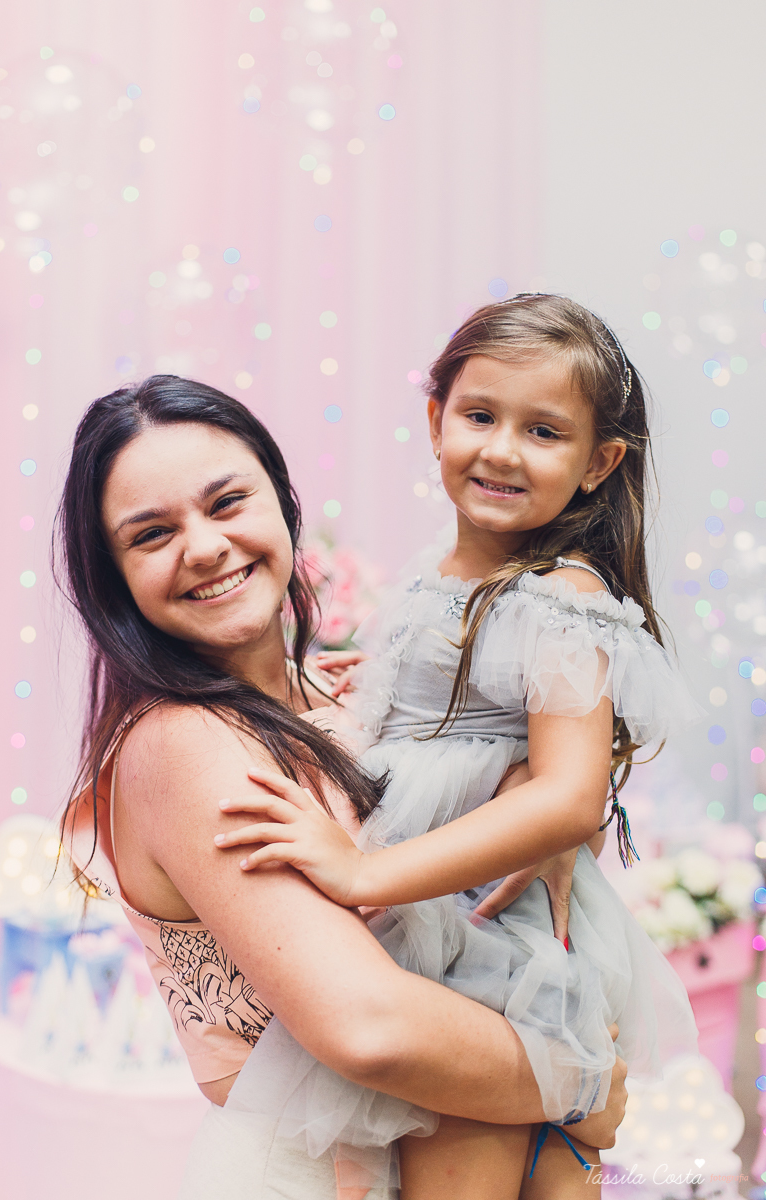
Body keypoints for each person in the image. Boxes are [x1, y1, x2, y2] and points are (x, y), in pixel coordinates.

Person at [58, 374, 627, 1200]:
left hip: (454, 1147)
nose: (206, 546)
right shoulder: (180, 743)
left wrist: (529, 790)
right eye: (151, 535)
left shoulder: (338, 694)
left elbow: (525, 851)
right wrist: (579, 1083)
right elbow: (369, 1026)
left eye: (226, 503)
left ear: (284, 507)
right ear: (113, 579)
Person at [212, 295, 702, 1198]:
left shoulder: (562, 595)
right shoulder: (444, 570)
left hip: (487, 943)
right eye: (481, 416)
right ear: (436, 421)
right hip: (443, 923)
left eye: (544, 432)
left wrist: (359, 877)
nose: (503, 449)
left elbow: (568, 796)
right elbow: (463, 711)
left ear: (599, 464)